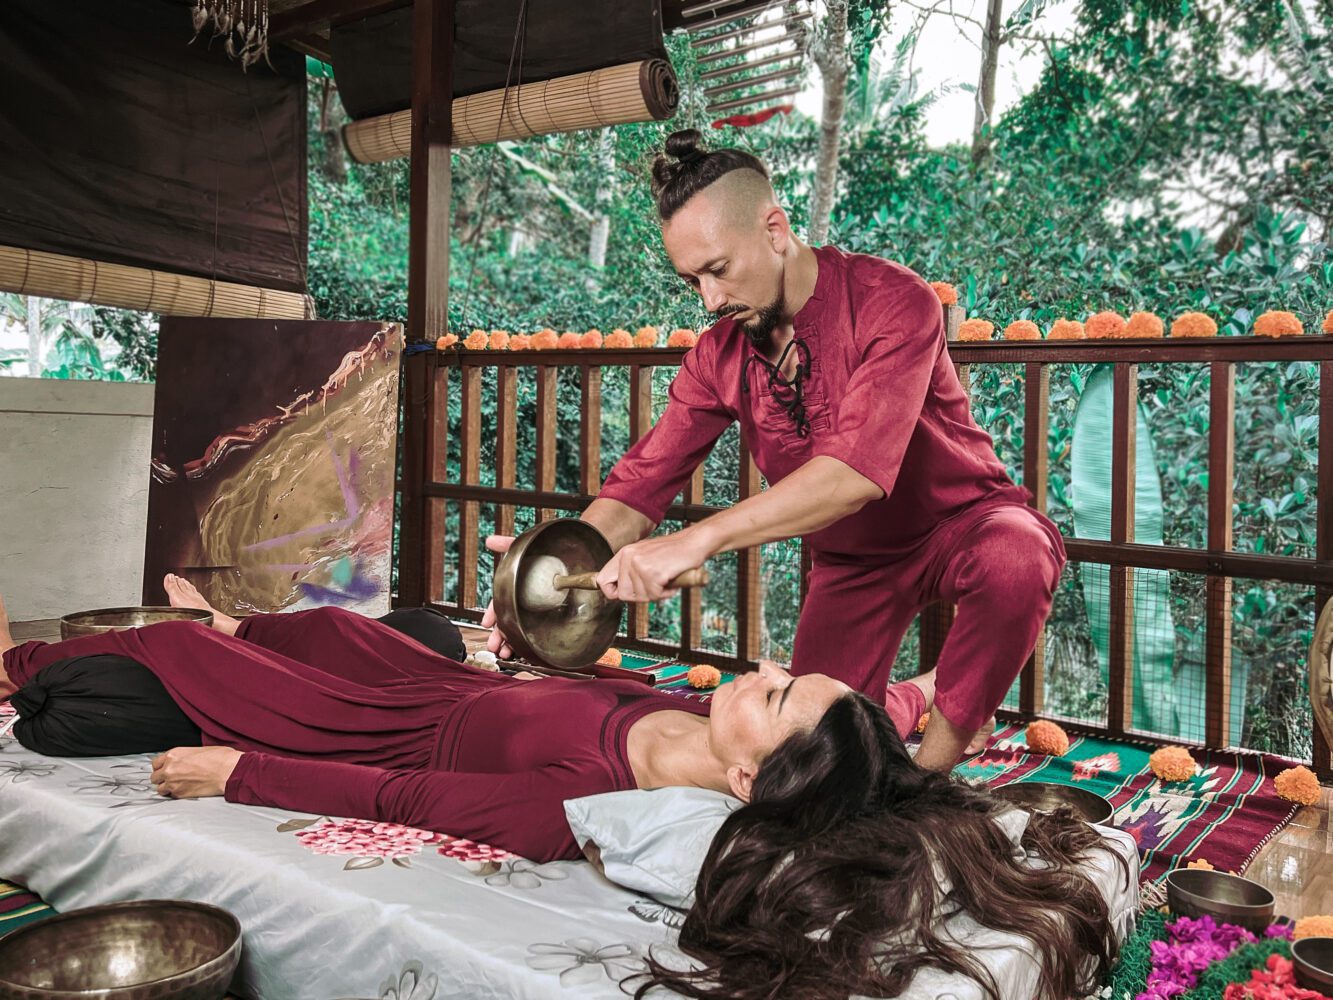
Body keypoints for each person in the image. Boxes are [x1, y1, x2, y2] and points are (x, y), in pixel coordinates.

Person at [0, 584, 1123, 998]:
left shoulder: (587, 805)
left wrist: (239, 771)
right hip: (440, 680)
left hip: (379, 724)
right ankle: (235, 618)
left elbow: (398, 798)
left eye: (776, 691)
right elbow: (583, 684)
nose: (764, 666)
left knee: (166, 658)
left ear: (750, 778)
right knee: (357, 624)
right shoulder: (686, 716)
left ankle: (35, 654)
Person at [484, 129, 1065, 771]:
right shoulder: (717, 356)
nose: (710, 300)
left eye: (718, 270)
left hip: (962, 525)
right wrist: (539, 580)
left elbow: (852, 476)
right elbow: (641, 485)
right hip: (852, 563)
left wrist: (697, 540)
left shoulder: (895, 301)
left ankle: (940, 758)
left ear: (775, 229)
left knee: (1018, 553)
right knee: (806, 755)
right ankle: (923, 693)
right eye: (693, 280)